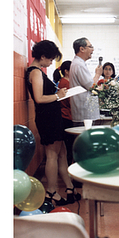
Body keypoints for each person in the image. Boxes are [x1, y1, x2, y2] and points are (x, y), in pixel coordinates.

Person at [26, 40, 80, 206]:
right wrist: (58, 95)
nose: (50, 63)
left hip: (53, 117)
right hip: (47, 118)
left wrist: (59, 94)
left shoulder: (38, 71)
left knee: (62, 153)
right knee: (52, 155)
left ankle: (69, 188)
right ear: (42, 56)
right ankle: (52, 191)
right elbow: (39, 98)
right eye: (49, 59)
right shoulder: (35, 72)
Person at [69, 37, 103, 126]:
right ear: (82, 49)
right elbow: (91, 87)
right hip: (85, 114)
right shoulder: (79, 64)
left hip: (85, 113)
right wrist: (98, 74)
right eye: (90, 46)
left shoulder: (78, 63)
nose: (93, 49)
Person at [53, 60, 74, 165]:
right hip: (66, 116)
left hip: (66, 115)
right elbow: (70, 101)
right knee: (68, 146)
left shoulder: (65, 82)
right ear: (66, 71)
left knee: (68, 146)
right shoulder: (65, 83)